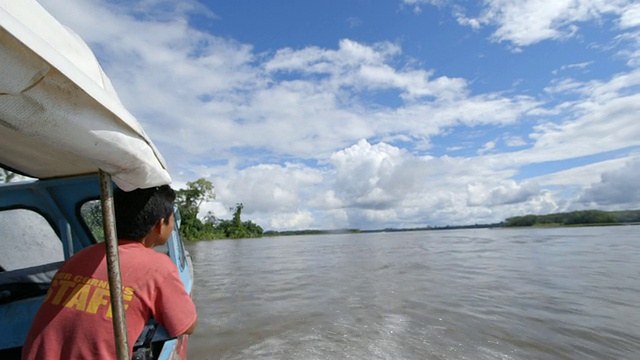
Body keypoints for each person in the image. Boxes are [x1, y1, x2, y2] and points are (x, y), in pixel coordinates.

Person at [22, 185, 197, 359]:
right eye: (172, 219)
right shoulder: (158, 266)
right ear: (160, 224)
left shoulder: (80, 257)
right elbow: (187, 326)